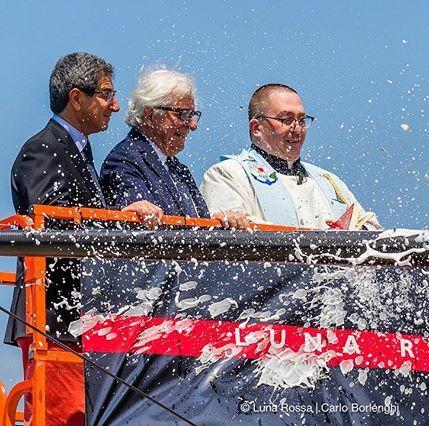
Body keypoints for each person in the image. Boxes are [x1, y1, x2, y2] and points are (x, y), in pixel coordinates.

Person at [7, 52, 163, 425]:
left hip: (82, 317)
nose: (115, 105)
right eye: (106, 94)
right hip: (55, 318)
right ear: (77, 98)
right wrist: (120, 220)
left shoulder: (77, 150)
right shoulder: (43, 148)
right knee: (64, 417)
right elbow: (54, 225)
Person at [200, 83, 380, 230]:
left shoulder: (328, 181)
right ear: (256, 128)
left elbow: (371, 231)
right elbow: (231, 231)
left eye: (301, 120)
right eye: (286, 120)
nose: (297, 128)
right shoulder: (227, 174)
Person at [100, 68, 249, 229]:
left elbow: (198, 230)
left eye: (193, 115)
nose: (193, 125)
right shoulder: (124, 160)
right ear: (150, 115)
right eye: (184, 114)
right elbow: (141, 227)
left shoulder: (178, 168)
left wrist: (219, 222)